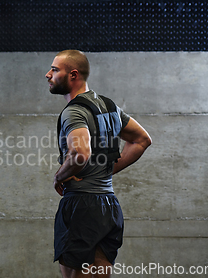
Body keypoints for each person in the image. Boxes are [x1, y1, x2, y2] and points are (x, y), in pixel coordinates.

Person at [46, 50, 152, 278]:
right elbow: (142, 140)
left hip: (81, 207)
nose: (48, 74)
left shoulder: (74, 111)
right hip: (109, 207)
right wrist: (107, 170)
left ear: (73, 74)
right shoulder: (109, 107)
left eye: (54, 70)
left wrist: (59, 176)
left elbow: (79, 154)